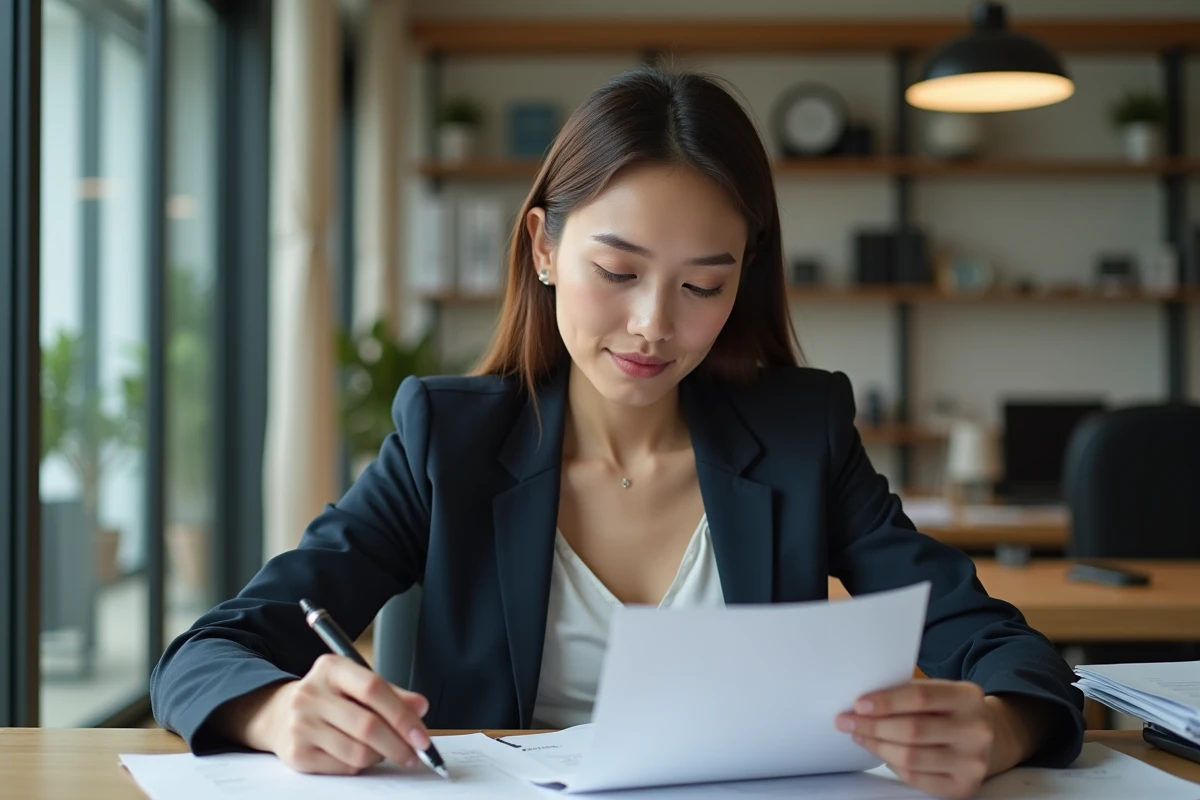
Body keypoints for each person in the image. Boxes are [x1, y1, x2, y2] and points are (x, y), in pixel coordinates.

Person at [151, 66, 1084, 799]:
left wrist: (998, 728)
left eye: (703, 285)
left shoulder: (804, 435)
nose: (653, 325)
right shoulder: (448, 441)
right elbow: (205, 654)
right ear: (545, 248)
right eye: (618, 271)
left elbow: (1006, 650)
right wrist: (277, 712)